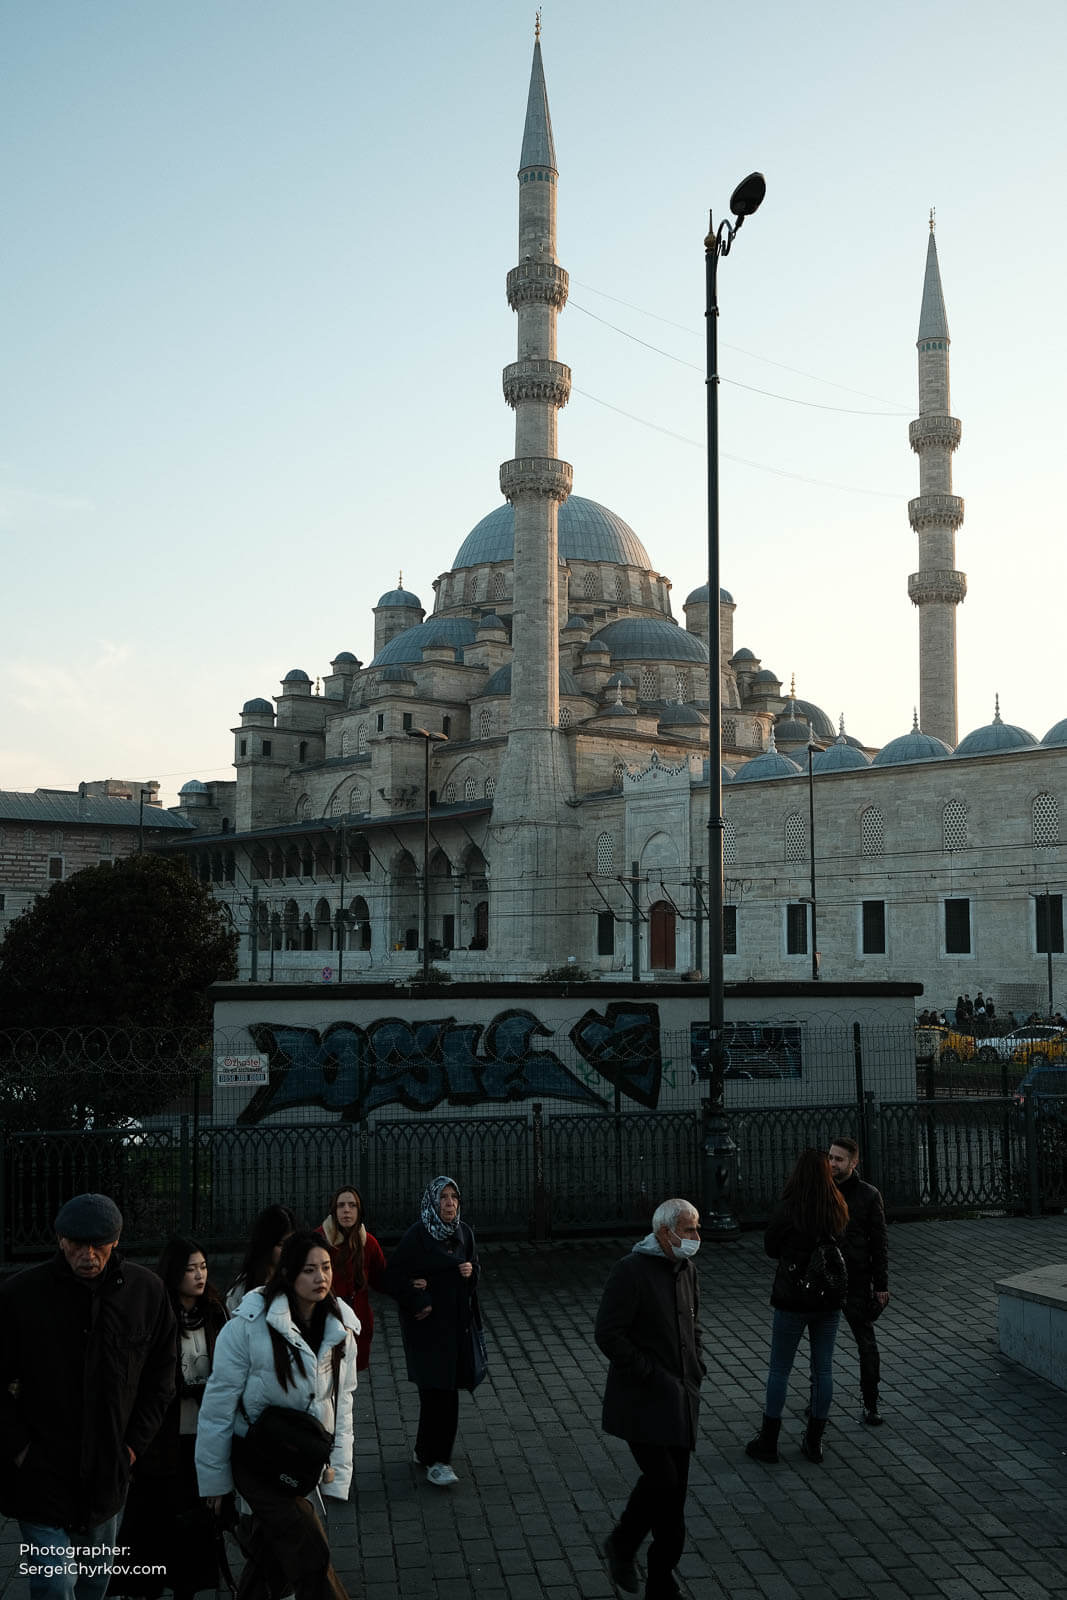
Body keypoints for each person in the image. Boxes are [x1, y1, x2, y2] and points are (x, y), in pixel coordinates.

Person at [0, 1193, 176, 1600]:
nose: (88, 1254)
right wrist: (19, 1449)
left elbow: (161, 1377)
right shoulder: (20, 1297)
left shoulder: (146, 1293)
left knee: (97, 1579)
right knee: (55, 1581)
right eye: (77, 1243)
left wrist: (132, 1446)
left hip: (108, 1471)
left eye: (99, 1243)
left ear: (116, 1241)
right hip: (41, 1470)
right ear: (60, 1240)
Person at [195, 1231, 359, 1600]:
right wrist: (216, 1483)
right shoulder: (248, 1327)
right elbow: (218, 1406)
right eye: (309, 1270)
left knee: (272, 1556)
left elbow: (342, 1401)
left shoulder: (340, 1328)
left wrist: (337, 1472)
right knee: (309, 1548)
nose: (321, 1278)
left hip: (301, 1459)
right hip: (255, 1458)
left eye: (326, 1268)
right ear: (287, 1274)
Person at [594, 1197, 704, 1600]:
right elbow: (608, 1334)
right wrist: (648, 1372)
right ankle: (623, 1544)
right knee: (663, 1479)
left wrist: (696, 1367)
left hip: (681, 1399)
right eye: (689, 1230)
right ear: (664, 1233)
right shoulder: (631, 1271)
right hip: (643, 1401)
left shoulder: (686, 1268)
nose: (696, 1238)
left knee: (673, 1499)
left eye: (697, 1229)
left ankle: (661, 1577)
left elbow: (693, 1325)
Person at [113, 1237, 229, 1598]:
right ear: (174, 1272)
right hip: (161, 1436)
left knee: (195, 1522)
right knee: (153, 1518)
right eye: (190, 1268)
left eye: (203, 1267)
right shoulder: (157, 1312)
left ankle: (187, 1586)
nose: (199, 1275)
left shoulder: (215, 1311)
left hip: (203, 1432)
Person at [746, 1149, 849, 1466]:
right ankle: (814, 1441)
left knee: (779, 1369)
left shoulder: (789, 1208)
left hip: (792, 1297)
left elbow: (770, 1247)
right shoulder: (836, 1205)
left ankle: (769, 1440)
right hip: (828, 1299)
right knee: (823, 1370)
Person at [383, 1175, 484, 1487]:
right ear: (432, 1202)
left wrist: (471, 1273)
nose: (450, 1203)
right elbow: (393, 1279)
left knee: (446, 1393)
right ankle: (435, 1459)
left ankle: (434, 1455)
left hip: (457, 1329)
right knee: (433, 1393)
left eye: (454, 1196)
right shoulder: (418, 1236)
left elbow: (473, 1274)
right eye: (443, 1197)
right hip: (427, 1332)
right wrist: (417, 1295)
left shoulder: (463, 1233)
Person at [828, 1136, 890, 1425]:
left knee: (866, 1343)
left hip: (855, 1278)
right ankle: (819, 1399)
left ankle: (871, 1402)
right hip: (825, 1278)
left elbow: (879, 1243)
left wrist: (881, 1285)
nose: (832, 1164)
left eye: (839, 1159)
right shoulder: (822, 1190)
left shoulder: (867, 1195)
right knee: (820, 1343)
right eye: (830, 1158)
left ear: (854, 1163)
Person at [315, 1185, 387, 1373]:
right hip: (325, 1323)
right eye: (341, 1205)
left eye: (352, 1205)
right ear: (334, 1210)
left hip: (357, 1324)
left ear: (359, 1210)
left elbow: (384, 1279)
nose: (346, 1210)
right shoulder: (318, 1240)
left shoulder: (369, 1243)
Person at [226, 1204, 297, 1313]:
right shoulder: (242, 1289)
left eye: (292, 1243)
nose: (288, 1250)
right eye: (281, 1245)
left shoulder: (298, 1279)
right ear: (266, 1244)